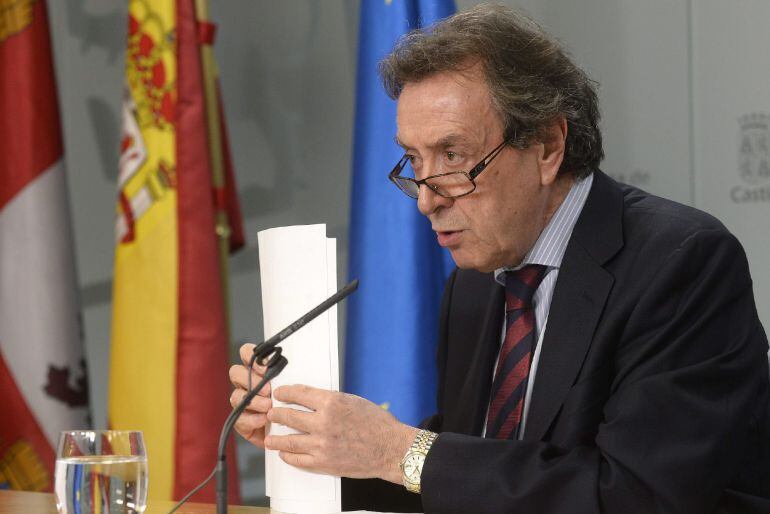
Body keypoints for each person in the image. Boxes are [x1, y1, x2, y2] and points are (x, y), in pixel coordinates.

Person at [229, 5, 770, 513]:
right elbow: (469, 483)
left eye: (454, 156)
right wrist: (321, 443)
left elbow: (634, 495)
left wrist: (399, 450)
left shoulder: (680, 264)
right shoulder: (475, 285)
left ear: (547, 146)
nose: (426, 197)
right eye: (414, 161)